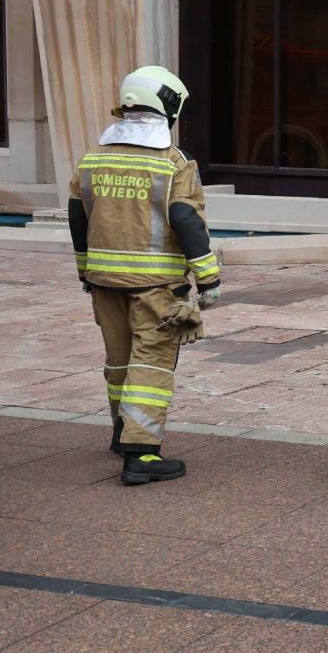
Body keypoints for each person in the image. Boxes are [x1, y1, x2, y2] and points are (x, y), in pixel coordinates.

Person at [69, 66, 222, 485]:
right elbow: (185, 218)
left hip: (103, 283)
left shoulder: (92, 159)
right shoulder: (173, 163)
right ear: (168, 109)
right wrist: (208, 278)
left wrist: (86, 269)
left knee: (118, 362)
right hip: (156, 287)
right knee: (151, 366)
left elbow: (77, 218)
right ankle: (142, 454)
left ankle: (122, 433)